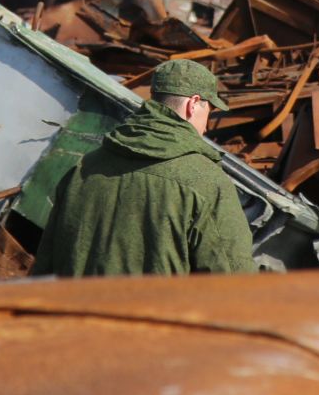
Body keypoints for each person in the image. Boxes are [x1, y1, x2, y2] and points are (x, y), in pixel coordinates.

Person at [32, 58, 254, 277]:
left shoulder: (83, 168)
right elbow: (235, 282)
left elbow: (44, 268)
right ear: (193, 104)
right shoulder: (206, 181)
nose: (206, 127)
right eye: (209, 111)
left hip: (76, 311)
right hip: (151, 313)